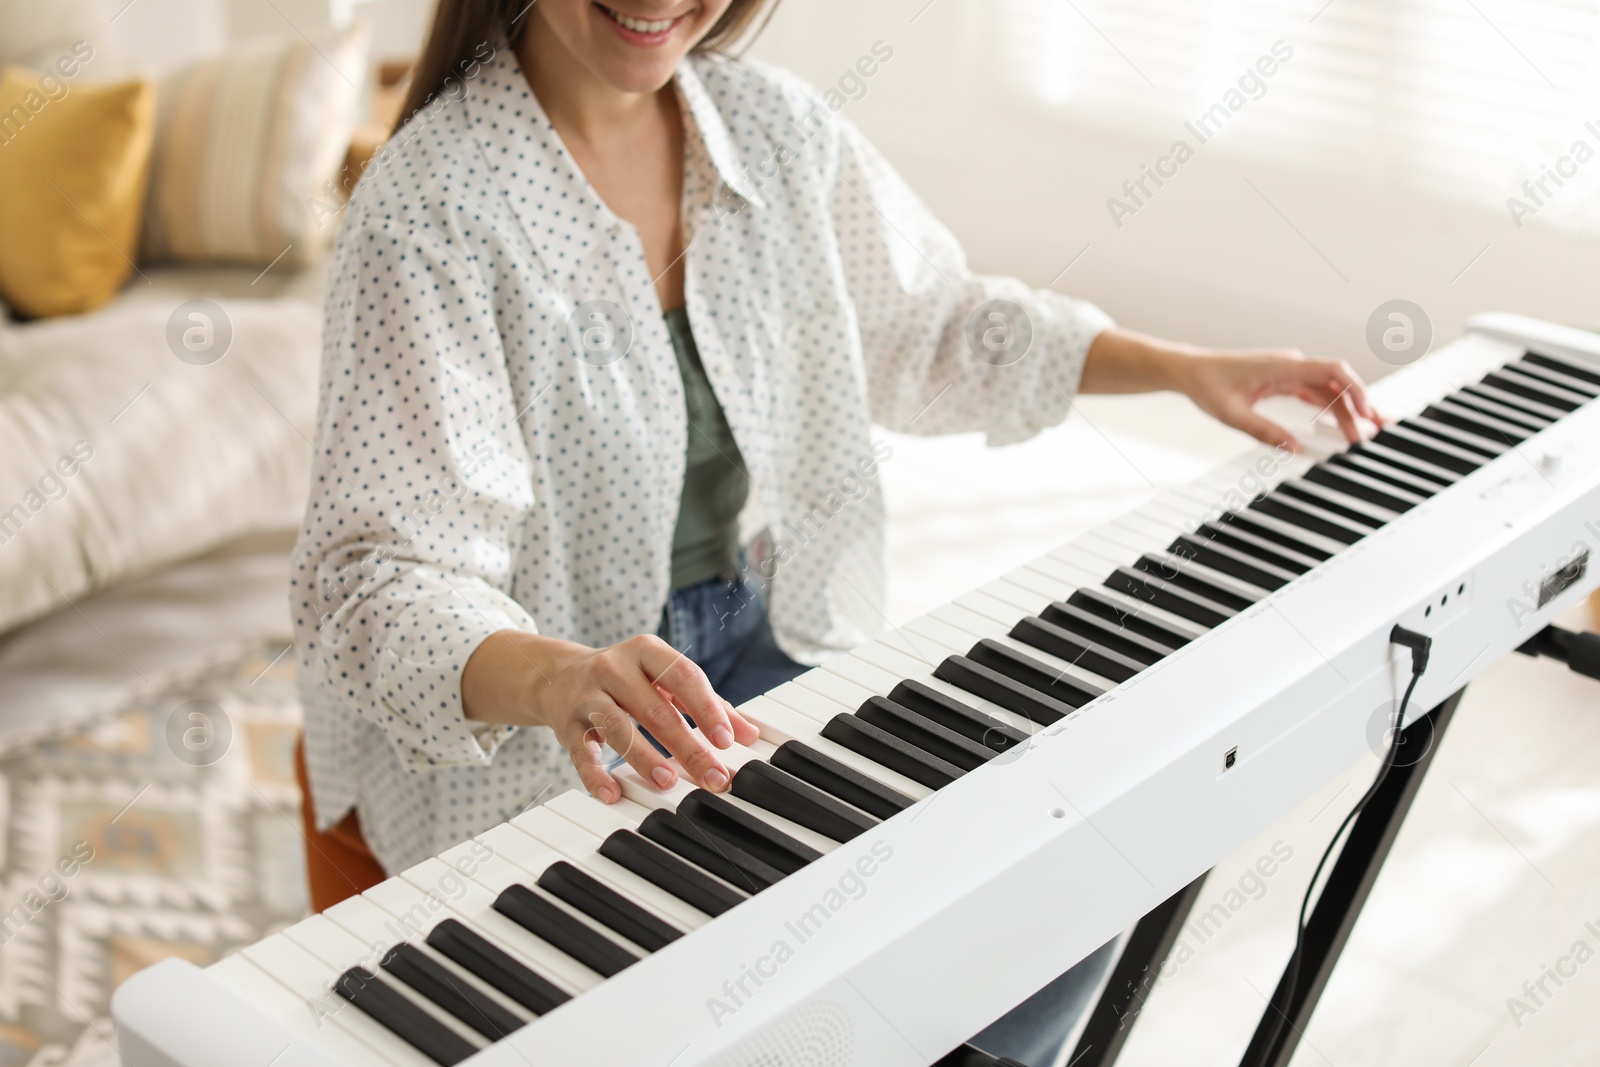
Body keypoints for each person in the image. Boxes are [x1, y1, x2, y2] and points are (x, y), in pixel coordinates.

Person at [290, 0, 1379, 1061]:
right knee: (771, 995)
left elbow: (933, 323)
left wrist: (1183, 369)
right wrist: (568, 680)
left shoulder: (775, 128)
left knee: (1081, 860)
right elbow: (382, 583)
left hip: (763, 641)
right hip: (541, 723)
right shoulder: (431, 205)